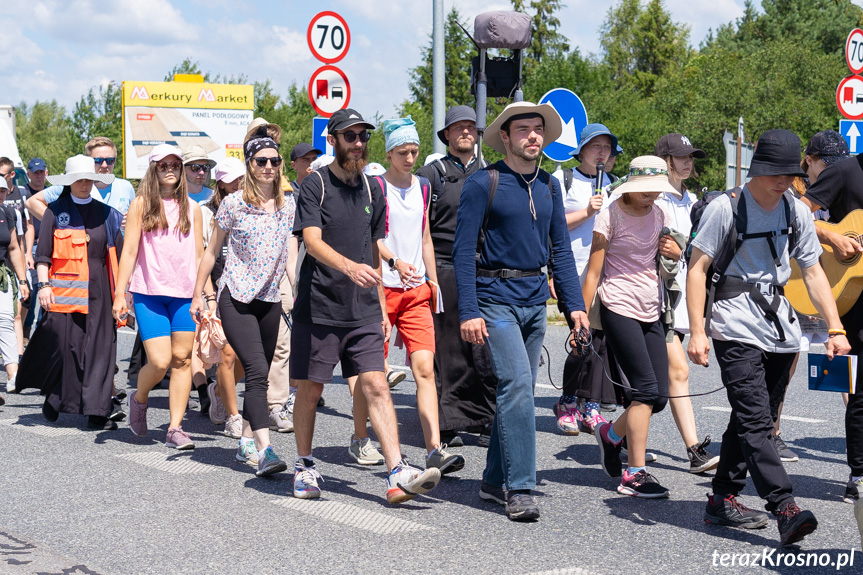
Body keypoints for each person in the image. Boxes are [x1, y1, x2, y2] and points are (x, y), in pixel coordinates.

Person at [689, 129, 850, 545]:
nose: (784, 181)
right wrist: (697, 332)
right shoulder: (726, 208)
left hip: (780, 326)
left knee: (748, 416)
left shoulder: (795, 209)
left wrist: (835, 327)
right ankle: (785, 507)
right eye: (775, 173)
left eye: (790, 173)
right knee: (759, 421)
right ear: (758, 169)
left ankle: (721, 499)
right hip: (733, 321)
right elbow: (697, 269)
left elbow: (813, 271)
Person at [290, 108, 441, 503]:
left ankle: (396, 472)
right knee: (310, 389)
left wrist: (383, 294)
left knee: (375, 383)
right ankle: (304, 465)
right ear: (333, 140)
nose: (358, 143)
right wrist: (348, 267)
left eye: (363, 137)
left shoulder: (373, 190)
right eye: (349, 136)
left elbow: (374, 247)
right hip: (319, 307)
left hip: (363, 309)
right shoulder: (315, 185)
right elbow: (312, 240)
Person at [454, 101, 587, 521]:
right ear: (506, 137)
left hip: (534, 302)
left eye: (539, 129)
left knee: (520, 392)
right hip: (494, 300)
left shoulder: (550, 186)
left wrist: (575, 307)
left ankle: (494, 481)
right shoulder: (483, 183)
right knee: (514, 386)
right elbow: (461, 253)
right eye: (524, 130)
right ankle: (521, 487)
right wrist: (469, 310)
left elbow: (561, 251)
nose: (533, 136)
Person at [191, 126, 296, 476]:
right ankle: (266, 451)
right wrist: (198, 294)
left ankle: (247, 442)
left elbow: (290, 249)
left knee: (262, 373)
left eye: (274, 161)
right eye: (261, 161)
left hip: (269, 299)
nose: (269, 166)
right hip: (235, 296)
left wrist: (293, 286)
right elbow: (210, 253)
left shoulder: (287, 205)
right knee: (254, 368)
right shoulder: (234, 204)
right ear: (250, 164)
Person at [366, 116, 464, 474]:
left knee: (425, 368)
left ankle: (434, 449)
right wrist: (393, 261)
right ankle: (361, 437)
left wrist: (433, 281)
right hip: (381, 289)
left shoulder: (423, 187)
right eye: (403, 152)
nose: (410, 158)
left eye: (415, 151)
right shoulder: (375, 187)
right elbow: (371, 238)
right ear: (389, 153)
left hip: (417, 291)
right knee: (373, 372)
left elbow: (425, 239)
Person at [585, 155, 681, 498]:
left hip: (651, 306)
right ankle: (635, 474)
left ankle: (611, 435)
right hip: (618, 304)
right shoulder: (609, 214)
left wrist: (675, 251)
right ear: (631, 186)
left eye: (658, 190)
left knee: (658, 398)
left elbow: (668, 260)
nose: (653, 195)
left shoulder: (660, 213)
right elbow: (594, 271)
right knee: (644, 391)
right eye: (647, 190)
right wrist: (580, 319)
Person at [17, 155, 122, 429]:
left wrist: (124, 294)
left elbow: (122, 256)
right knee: (68, 349)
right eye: (78, 180)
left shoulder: (109, 214)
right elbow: (44, 256)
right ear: (68, 182)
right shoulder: (55, 210)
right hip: (64, 292)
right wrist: (44, 285)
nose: (84, 184)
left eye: (88, 179)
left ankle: (98, 411)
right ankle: (57, 398)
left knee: (101, 349)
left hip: (101, 288)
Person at [113, 144, 205, 449]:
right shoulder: (140, 204)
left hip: (184, 295)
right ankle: (139, 398)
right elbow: (129, 252)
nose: (170, 169)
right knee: (160, 360)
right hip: (149, 293)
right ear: (154, 169)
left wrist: (204, 294)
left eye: (175, 165)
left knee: (182, 360)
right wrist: (119, 293)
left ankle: (175, 428)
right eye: (163, 165)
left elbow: (200, 254)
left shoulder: (193, 208)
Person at [415, 105, 496, 448]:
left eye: (470, 127)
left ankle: (483, 417)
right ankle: (445, 424)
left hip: (482, 269)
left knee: (483, 349)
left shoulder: (491, 173)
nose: (465, 132)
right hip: (444, 269)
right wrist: (427, 278)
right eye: (458, 127)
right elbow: (418, 228)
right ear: (446, 135)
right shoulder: (431, 174)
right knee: (447, 351)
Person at [798, 131, 863, 505]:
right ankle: (859, 474)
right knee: (861, 390)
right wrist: (832, 238)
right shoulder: (846, 171)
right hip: (853, 294)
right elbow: (796, 214)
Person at [654, 133, 720, 473]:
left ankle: (613, 436)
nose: (688, 161)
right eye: (681, 157)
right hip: (655, 300)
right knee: (676, 373)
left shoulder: (693, 199)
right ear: (665, 159)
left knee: (651, 393)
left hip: (681, 302)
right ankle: (695, 451)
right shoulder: (653, 196)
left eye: (691, 156)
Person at [550, 123, 617, 436]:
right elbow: (550, 226)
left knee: (602, 343)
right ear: (582, 150)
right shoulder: (562, 179)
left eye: (607, 147)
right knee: (582, 338)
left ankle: (590, 407)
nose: (602, 152)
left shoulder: (613, 185)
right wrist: (587, 212)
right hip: (570, 271)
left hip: (606, 273)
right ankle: (566, 402)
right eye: (596, 146)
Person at [198, 157, 246, 439]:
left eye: (242, 177)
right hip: (219, 289)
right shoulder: (207, 212)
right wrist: (208, 294)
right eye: (234, 179)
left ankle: (218, 390)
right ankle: (233, 415)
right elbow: (205, 253)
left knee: (245, 357)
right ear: (221, 183)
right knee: (226, 353)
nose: (240, 183)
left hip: (250, 292)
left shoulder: (254, 206)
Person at [0, 177, 28, 396]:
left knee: (6, 320)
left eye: (3, 191)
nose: (0, 195)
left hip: (2, 273)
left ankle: (13, 375)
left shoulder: (7, 213)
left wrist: (22, 279)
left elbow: (13, 248)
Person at [22, 158, 47, 338]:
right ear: (28, 174)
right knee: (30, 293)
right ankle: (24, 333)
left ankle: (41, 333)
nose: (39, 176)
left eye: (41, 172)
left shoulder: (53, 193)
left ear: (46, 173)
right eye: (35, 172)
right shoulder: (23, 193)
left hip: (48, 246)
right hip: (29, 248)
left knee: (47, 291)